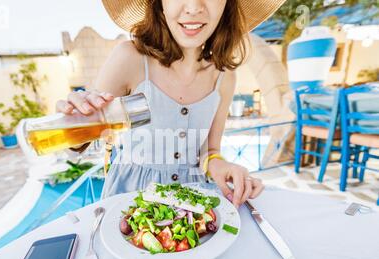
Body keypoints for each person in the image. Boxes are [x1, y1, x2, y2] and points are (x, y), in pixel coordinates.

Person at [56, 0, 285, 208]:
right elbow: (79, 142)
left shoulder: (224, 78)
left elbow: (209, 150)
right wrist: (71, 118)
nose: (194, 7)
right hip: (128, 202)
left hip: (193, 202)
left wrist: (221, 165)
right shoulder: (129, 58)